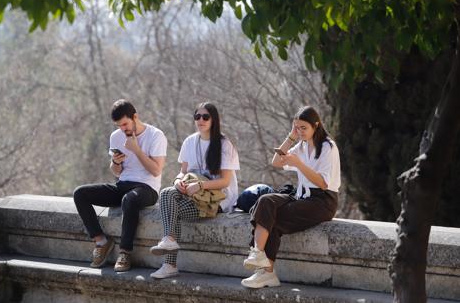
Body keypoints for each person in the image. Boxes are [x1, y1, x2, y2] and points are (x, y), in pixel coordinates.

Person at [241, 106, 341, 288]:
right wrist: (291, 137)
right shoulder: (301, 145)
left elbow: (323, 183)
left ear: (316, 125)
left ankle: (267, 273)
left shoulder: (328, 147)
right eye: (297, 127)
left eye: (304, 128)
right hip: (301, 196)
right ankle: (257, 253)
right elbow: (276, 161)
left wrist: (298, 164)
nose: (300, 131)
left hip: (322, 201)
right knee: (265, 201)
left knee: (274, 219)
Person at [73, 99, 167, 272]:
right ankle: (101, 241)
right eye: (119, 126)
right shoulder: (116, 137)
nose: (123, 129)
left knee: (129, 200)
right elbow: (116, 172)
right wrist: (115, 163)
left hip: (147, 188)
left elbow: (156, 170)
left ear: (135, 117)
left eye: (125, 124)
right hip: (123, 184)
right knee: (80, 193)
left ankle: (124, 252)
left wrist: (136, 150)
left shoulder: (155, 135)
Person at [149, 102, 240, 279]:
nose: (201, 120)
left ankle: (169, 264)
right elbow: (183, 172)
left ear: (214, 120)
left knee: (171, 211)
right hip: (193, 195)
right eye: (197, 116)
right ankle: (169, 241)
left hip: (216, 201)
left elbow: (225, 181)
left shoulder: (224, 144)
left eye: (206, 117)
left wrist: (200, 185)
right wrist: (178, 182)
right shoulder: (190, 142)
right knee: (167, 193)